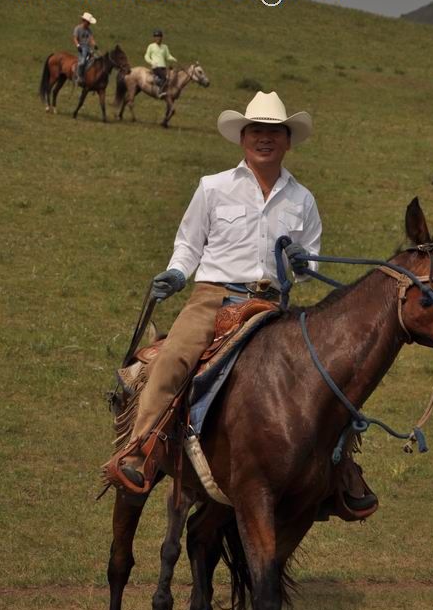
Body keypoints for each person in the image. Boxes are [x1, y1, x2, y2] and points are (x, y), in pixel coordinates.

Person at [106, 91, 321, 494]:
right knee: (173, 359)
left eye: (274, 131)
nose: (265, 138)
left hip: (271, 306)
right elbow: (189, 243)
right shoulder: (214, 187)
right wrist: (175, 272)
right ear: (243, 138)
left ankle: (334, 474)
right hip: (214, 297)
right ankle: (138, 453)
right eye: (256, 130)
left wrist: (302, 263)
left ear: (287, 141)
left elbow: (311, 268)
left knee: (323, 372)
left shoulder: (302, 199)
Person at [144, 30, 177, 97]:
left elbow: (167, 56)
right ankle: (160, 91)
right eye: (156, 37)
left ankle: (169, 91)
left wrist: (173, 58)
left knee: (171, 77)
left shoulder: (165, 47)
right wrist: (151, 62)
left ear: (162, 38)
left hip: (163, 67)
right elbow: (146, 56)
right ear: (154, 38)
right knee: (165, 77)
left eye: (159, 37)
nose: (158, 39)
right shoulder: (151, 46)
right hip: (156, 67)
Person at [73, 12, 96, 86]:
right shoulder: (78, 28)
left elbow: (91, 38)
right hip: (82, 47)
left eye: (89, 23)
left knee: (95, 59)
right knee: (82, 62)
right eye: (88, 22)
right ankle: (79, 77)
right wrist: (78, 46)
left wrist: (94, 44)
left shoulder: (89, 30)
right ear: (84, 21)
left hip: (88, 47)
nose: (89, 24)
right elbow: (75, 38)